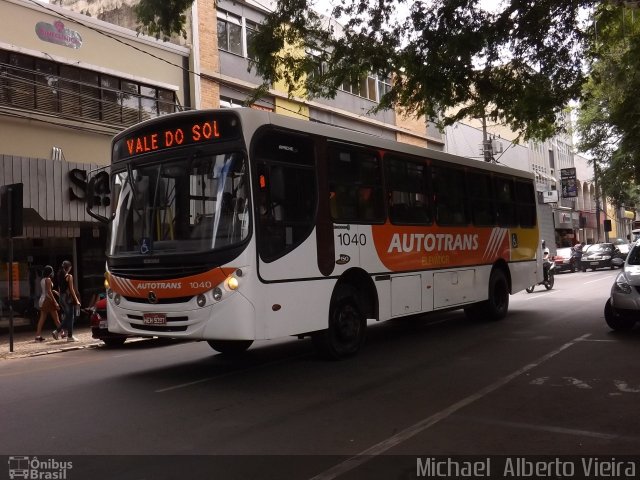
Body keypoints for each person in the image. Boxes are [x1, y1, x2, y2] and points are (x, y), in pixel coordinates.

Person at [53, 260, 81, 342]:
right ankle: (67, 335)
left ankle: (65, 334)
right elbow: (71, 290)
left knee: (68, 317)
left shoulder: (59, 275)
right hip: (68, 298)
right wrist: (76, 300)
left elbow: (59, 288)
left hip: (61, 298)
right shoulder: (69, 276)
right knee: (70, 317)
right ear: (69, 267)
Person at [34, 265, 61, 342]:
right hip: (48, 300)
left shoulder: (42, 280)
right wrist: (55, 301)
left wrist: (53, 291)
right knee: (56, 319)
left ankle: (37, 336)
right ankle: (62, 333)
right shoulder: (48, 279)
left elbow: (45, 290)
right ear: (50, 272)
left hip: (42, 300)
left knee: (42, 319)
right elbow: (48, 291)